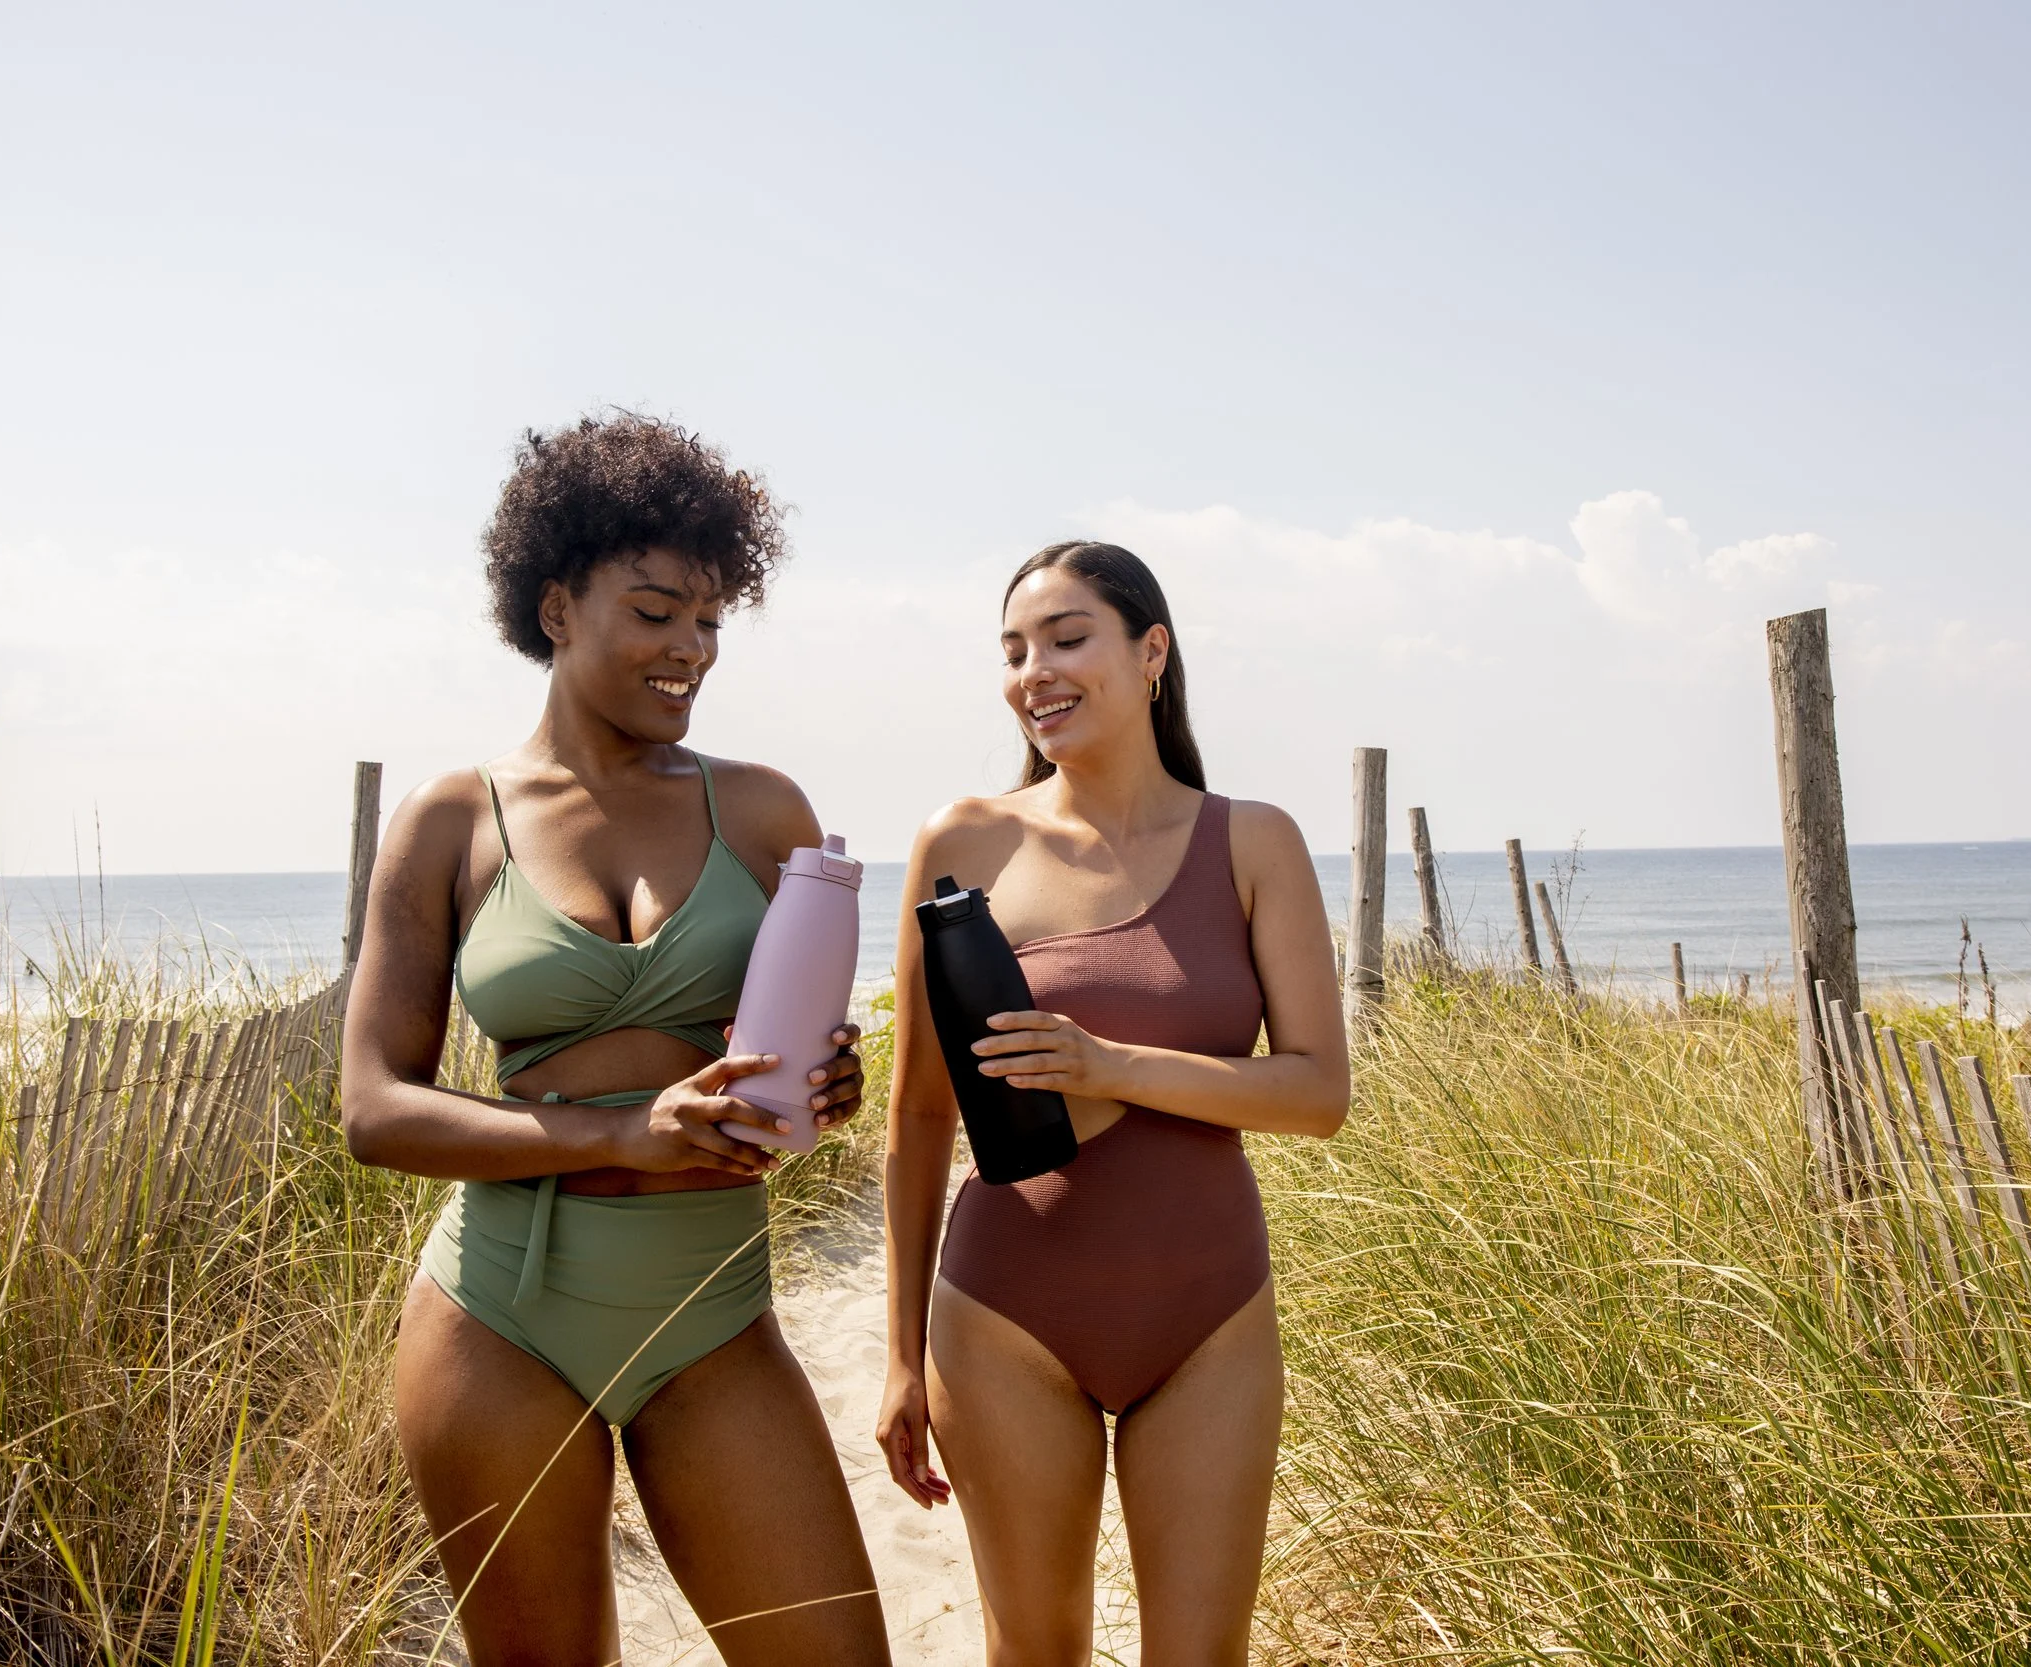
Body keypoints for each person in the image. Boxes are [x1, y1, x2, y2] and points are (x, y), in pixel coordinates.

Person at [341, 413, 891, 1664]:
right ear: (554, 605)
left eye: (708, 621)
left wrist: (824, 1082)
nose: (688, 649)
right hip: (501, 1320)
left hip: (712, 1311)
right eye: (654, 611)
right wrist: (620, 1132)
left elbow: (780, 1051)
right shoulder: (449, 821)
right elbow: (374, 1107)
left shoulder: (761, 808)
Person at [874, 540, 1351, 1662]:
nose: (1033, 669)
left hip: (1210, 1318)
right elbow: (917, 1118)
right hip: (1004, 1317)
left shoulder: (1254, 841)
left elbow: (1317, 1092)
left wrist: (1111, 1065)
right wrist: (900, 1354)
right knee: (1035, 1649)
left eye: (1066, 637)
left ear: (1150, 653)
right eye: (1013, 650)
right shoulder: (965, 839)